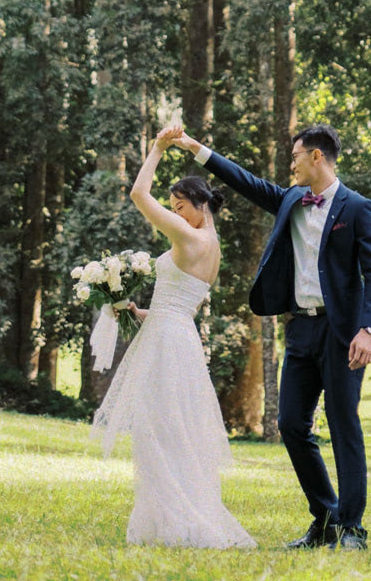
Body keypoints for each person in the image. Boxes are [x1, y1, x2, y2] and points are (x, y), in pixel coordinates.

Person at [174, 122, 371, 553]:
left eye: (295, 157)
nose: (289, 164)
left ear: (316, 157)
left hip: (343, 331)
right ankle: (325, 517)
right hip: (301, 328)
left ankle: (352, 528)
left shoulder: (358, 208)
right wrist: (195, 148)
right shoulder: (290, 198)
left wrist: (368, 328)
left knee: (345, 425)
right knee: (290, 423)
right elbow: (245, 181)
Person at [90, 126, 255, 550]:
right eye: (175, 209)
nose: (176, 214)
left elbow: (138, 196)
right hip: (173, 334)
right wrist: (134, 309)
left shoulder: (190, 235)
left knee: (157, 430)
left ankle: (183, 518)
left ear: (200, 205)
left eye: (181, 206)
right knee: (169, 428)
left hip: (168, 343)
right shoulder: (212, 245)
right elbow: (178, 306)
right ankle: (164, 517)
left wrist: (157, 149)